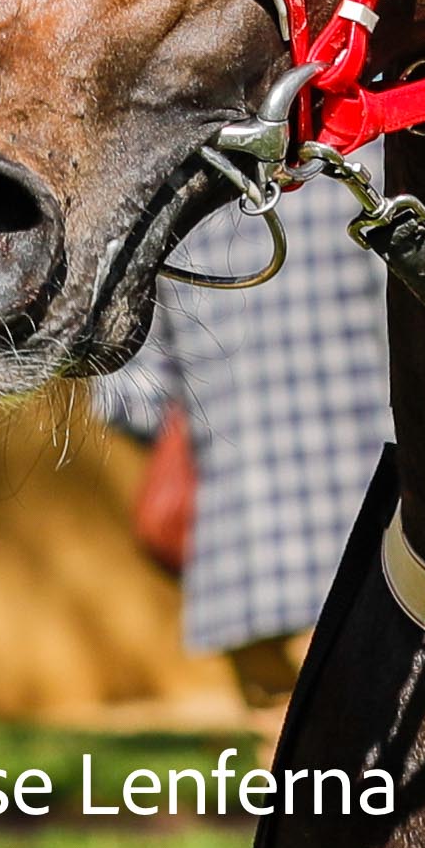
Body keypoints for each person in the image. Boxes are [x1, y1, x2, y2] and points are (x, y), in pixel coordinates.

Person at [91, 191, 392, 710]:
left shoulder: (173, 201)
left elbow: (129, 399)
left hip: (241, 556)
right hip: (366, 539)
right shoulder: (364, 174)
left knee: (284, 749)